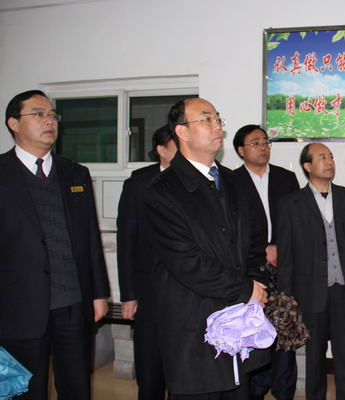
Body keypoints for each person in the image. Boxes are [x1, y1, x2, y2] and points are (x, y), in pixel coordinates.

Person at [143, 98, 269, 399]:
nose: (217, 126)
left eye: (217, 119)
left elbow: (254, 240)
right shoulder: (162, 191)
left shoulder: (234, 181)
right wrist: (244, 289)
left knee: (239, 389)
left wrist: (255, 281)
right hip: (193, 320)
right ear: (182, 132)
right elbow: (186, 261)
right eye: (206, 119)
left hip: (239, 316)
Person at [0, 89, 110, 399]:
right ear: (14, 124)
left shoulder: (75, 173)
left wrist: (99, 293)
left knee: (76, 386)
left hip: (74, 302)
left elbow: (90, 237)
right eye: (38, 114)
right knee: (26, 390)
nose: (49, 121)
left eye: (52, 115)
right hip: (19, 306)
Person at [277, 143, 345, 400]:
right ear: (308, 166)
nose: (329, 162)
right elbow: (286, 256)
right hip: (309, 292)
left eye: (331, 157)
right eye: (322, 158)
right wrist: (287, 296)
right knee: (314, 357)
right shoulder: (290, 204)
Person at [232, 124, 300, 400]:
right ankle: (257, 388)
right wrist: (263, 249)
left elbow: (297, 220)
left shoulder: (286, 178)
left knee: (285, 330)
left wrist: (280, 246)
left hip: (284, 266)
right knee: (255, 330)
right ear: (241, 150)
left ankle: (284, 390)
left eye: (265, 142)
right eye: (255, 143)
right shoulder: (231, 181)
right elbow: (231, 230)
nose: (263, 147)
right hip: (251, 269)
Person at [117, 125, 178, 399]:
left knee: (184, 372)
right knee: (151, 369)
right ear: (162, 150)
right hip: (149, 290)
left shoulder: (202, 181)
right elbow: (126, 241)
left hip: (189, 292)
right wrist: (128, 294)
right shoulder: (138, 184)